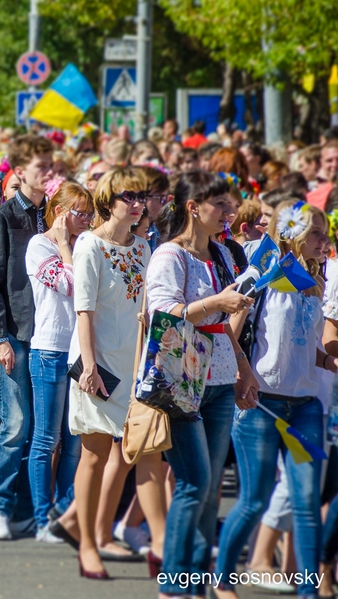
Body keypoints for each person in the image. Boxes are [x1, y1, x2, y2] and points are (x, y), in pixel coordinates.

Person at [214, 201, 333, 599]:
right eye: (316, 233)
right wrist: (241, 373)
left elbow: (308, 347)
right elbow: (229, 330)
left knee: (305, 505)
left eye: (325, 234)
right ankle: (221, 577)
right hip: (260, 403)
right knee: (253, 501)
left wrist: (331, 361)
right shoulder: (263, 271)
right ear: (296, 233)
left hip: (305, 407)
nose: (324, 241)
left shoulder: (314, 282)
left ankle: (308, 592)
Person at [147, 172, 256, 597]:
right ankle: (174, 584)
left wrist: (244, 368)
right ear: (194, 207)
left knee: (210, 490)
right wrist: (216, 303)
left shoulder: (221, 255)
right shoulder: (169, 256)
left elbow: (224, 326)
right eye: (221, 205)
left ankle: (194, 581)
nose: (230, 213)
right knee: (193, 483)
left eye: (231, 205)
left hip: (219, 378)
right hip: (181, 381)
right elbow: (165, 316)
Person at [66, 169, 155, 579]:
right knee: (94, 454)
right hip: (97, 364)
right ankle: (86, 544)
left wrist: (147, 363)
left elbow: (147, 311)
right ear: (108, 199)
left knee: (127, 452)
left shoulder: (142, 246)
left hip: (133, 365)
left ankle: (100, 532)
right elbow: (83, 310)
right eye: (129, 195)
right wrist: (89, 367)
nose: (137, 203)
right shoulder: (90, 244)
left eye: (141, 195)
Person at [0, 134, 55, 541]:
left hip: (52, 334)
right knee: (15, 425)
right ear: (20, 172)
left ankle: (29, 511)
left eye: (51, 166)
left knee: (45, 428)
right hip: (16, 333)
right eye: (41, 167)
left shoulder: (57, 215)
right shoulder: (3, 217)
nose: (48, 173)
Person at [24, 182, 92, 543]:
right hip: (49, 348)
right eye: (79, 212)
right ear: (60, 211)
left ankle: (65, 516)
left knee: (75, 441)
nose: (86, 219)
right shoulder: (39, 245)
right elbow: (72, 285)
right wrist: (65, 245)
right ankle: (41, 518)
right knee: (46, 439)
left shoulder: (87, 245)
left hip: (80, 352)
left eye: (88, 213)